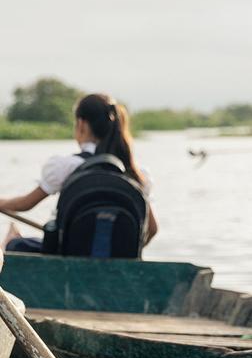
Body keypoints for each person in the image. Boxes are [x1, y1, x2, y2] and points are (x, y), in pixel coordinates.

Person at [0, 93, 158, 252]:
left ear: (81, 124)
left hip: (68, 257)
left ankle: (13, 238)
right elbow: (152, 230)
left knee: (14, 244)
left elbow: (24, 205)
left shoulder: (66, 166)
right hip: (121, 261)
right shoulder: (136, 175)